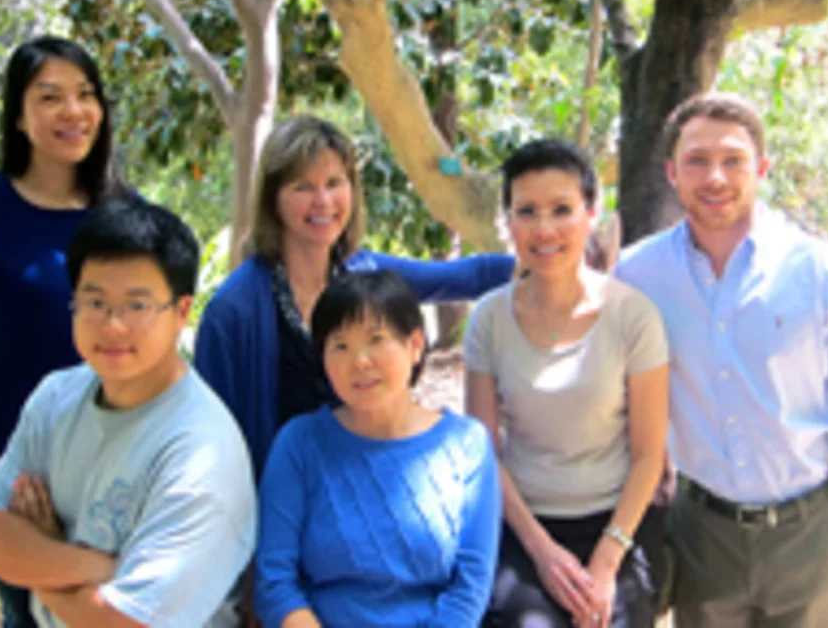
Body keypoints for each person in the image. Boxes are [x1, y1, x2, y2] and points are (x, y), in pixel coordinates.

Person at [613, 92, 828, 627]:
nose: (715, 177)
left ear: (761, 169)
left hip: (806, 532)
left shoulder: (824, 277)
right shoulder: (637, 278)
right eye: (697, 160)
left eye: (733, 160)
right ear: (672, 172)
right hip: (701, 531)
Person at [0, 199, 256, 627]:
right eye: (95, 302)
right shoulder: (56, 397)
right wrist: (91, 565)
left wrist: (40, 557)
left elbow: (126, 624)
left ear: (180, 313)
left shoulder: (200, 453)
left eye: (137, 306)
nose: (113, 325)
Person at [193, 115, 516, 483]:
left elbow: (470, 276)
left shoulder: (362, 275)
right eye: (303, 187)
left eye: (335, 182)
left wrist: (560, 263)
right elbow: (209, 445)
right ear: (273, 200)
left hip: (365, 489)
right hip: (280, 511)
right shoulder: (234, 312)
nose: (324, 201)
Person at [465, 139, 670, 628]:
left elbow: (648, 455)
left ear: (591, 213)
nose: (544, 229)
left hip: (616, 524)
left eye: (562, 209)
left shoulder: (632, 315)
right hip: (523, 525)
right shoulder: (489, 319)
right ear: (508, 222)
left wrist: (604, 563)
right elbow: (483, 451)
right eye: (527, 211)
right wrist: (542, 553)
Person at [0, 35, 124, 627]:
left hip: (112, 459)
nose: (73, 111)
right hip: (12, 461)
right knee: (29, 615)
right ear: (19, 115)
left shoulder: (121, 216)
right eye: (50, 96)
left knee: (103, 613)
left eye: (85, 95)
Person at [256, 270, 502, 627]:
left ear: (415, 344)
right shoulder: (298, 443)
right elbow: (275, 580)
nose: (360, 361)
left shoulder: (466, 445)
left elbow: (470, 588)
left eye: (376, 339)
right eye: (340, 345)